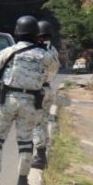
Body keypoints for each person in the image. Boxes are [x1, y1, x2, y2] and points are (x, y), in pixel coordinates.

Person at [0, 15, 59, 185]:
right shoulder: (45, 55)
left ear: (17, 32)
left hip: (7, 100)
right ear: (35, 34)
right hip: (31, 102)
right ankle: (22, 182)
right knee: (25, 142)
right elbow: (53, 72)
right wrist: (37, 81)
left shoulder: (9, 52)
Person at [31, 20, 60, 169]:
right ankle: (42, 153)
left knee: (36, 123)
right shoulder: (53, 50)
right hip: (48, 89)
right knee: (44, 122)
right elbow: (54, 71)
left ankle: (39, 155)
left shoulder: (39, 51)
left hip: (38, 90)